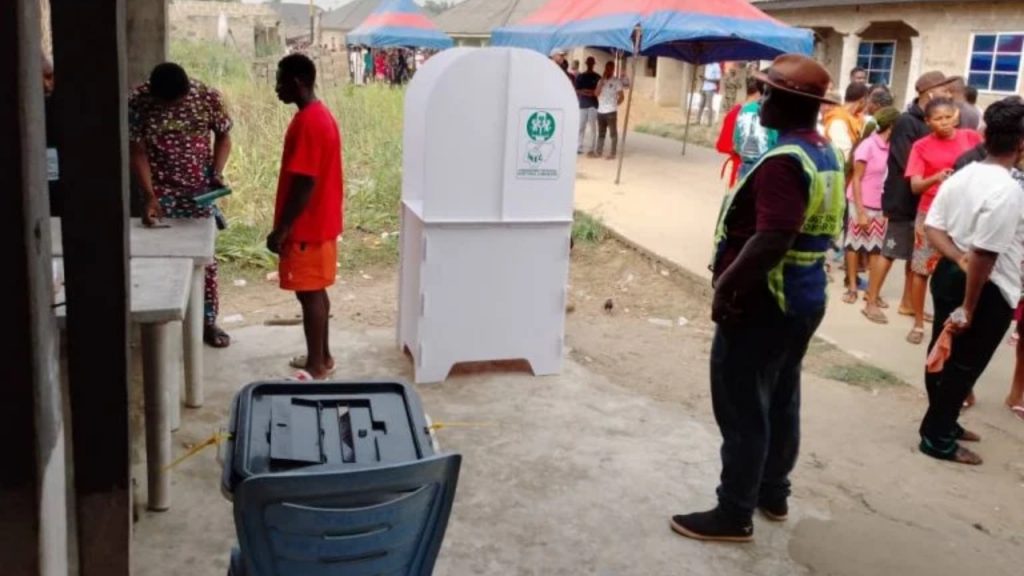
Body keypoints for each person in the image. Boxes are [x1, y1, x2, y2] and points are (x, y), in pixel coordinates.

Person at [671, 54, 845, 542]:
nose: (761, 100)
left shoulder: (785, 161)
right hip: (805, 297)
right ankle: (773, 492)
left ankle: (734, 513)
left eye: (767, 92)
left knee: (743, 405)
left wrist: (726, 288)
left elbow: (772, 238)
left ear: (786, 101)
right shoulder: (824, 152)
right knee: (782, 397)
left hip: (765, 301)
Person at [920, 97, 1024, 464]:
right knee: (963, 363)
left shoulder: (965, 174)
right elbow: (984, 254)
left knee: (943, 353)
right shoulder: (1007, 190)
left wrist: (954, 257)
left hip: (954, 274)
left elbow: (934, 227)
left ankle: (943, 423)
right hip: (984, 286)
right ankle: (937, 437)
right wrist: (968, 306)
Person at [129, 62, 233, 348]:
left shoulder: (206, 96)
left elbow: (224, 136)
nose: (173, 107)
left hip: (199, 192)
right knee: (158, 259)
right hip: (159, 192)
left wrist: (217, 171)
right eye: (167, 104)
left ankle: (207, 322)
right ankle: (160, 326)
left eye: (178, 102)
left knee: (205, 262)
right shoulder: (138, 102)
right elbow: (137, 150)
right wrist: (149, 195)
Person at [268, 54, 344, 381]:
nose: (276, 88)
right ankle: (323, 357)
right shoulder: (316, 116)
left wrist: (282, 228)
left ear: (298, 82)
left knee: (310, 294)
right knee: (315, 292)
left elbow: (305, 181)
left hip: (307, 227)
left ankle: (316, 368)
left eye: (280, 81)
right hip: (319, 223)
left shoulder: (311, 122)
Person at [864, 71, 956, 326]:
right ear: (930, 93)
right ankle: (871, 301)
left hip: (923, 200)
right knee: (891, 251)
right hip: (903, 199)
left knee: (915, 259)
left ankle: (907, 303)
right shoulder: (906, 122)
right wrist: (932, 176)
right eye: (945, 89)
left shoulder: (929, 123)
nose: (949, 94)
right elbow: (908, 164)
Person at [903, 97, 983, 344]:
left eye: (948, 117)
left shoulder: (971, 138)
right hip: (932, 213)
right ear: (928, 122)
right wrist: (936, 178)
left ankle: (956, 320)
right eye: (938, 119)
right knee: (921, 269)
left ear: (956, 115)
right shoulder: (921, 146)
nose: (944, 123)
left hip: (965, 213)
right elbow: (915, 185)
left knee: (963, 267)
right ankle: (917, 323)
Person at [844, 107, 900, 310]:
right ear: (892, 126)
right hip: (860, 200)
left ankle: (872, 292)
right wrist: (860, 211)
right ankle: (851, 286)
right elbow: (857, 179)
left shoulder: (892, 147)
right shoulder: (867, 146)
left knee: (877, 248)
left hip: (880, 203)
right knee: (854, 244)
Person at [733, 74, 777, 179]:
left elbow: (736, 140)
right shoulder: (774, 112)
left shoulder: (745, 109)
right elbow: (776, 141)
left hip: (745, 166)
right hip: (765, 167)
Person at [823, 82, 870, 158]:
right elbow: (844, 154)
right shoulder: (837, 119)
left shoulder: (858, 118)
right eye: (867, 100)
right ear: (862, 100)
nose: (868, 104)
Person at [595, 61, 626, 160]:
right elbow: (596, 94)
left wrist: (615, 104)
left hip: (611, 111)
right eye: (606, 68)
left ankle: (612, 153)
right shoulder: (600, 81)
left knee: (613, 133)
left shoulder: (616, 81)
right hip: (600, 111)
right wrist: (601, 82)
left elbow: (621, 96)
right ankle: (598, 152)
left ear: (612, 69)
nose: (607, 70)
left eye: (609, 68)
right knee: (601, 133)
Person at [575, 56, 601, 157]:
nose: (590, 64)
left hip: (593, 105)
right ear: (586, 63)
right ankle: (579, 147)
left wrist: (587, 91)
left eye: (591, 62)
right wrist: (587, 92)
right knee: (581, 126)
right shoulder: (581, 76)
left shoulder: (597, 77)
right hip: (583, 104)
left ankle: (592, 148)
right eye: (589, 62)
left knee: (593, 127)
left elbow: (598, 91)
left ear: (593, 64)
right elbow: (577, 89)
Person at [697, 62, 722, 126]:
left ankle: (709, 123)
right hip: (704, 87)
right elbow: (705, 77)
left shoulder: (716, 66)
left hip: (710, 88)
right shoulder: (707, 64)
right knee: (701, 105)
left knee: (709, 105)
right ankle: (697, 121)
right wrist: (703, 81)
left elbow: (718, 79)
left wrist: (707, 79)